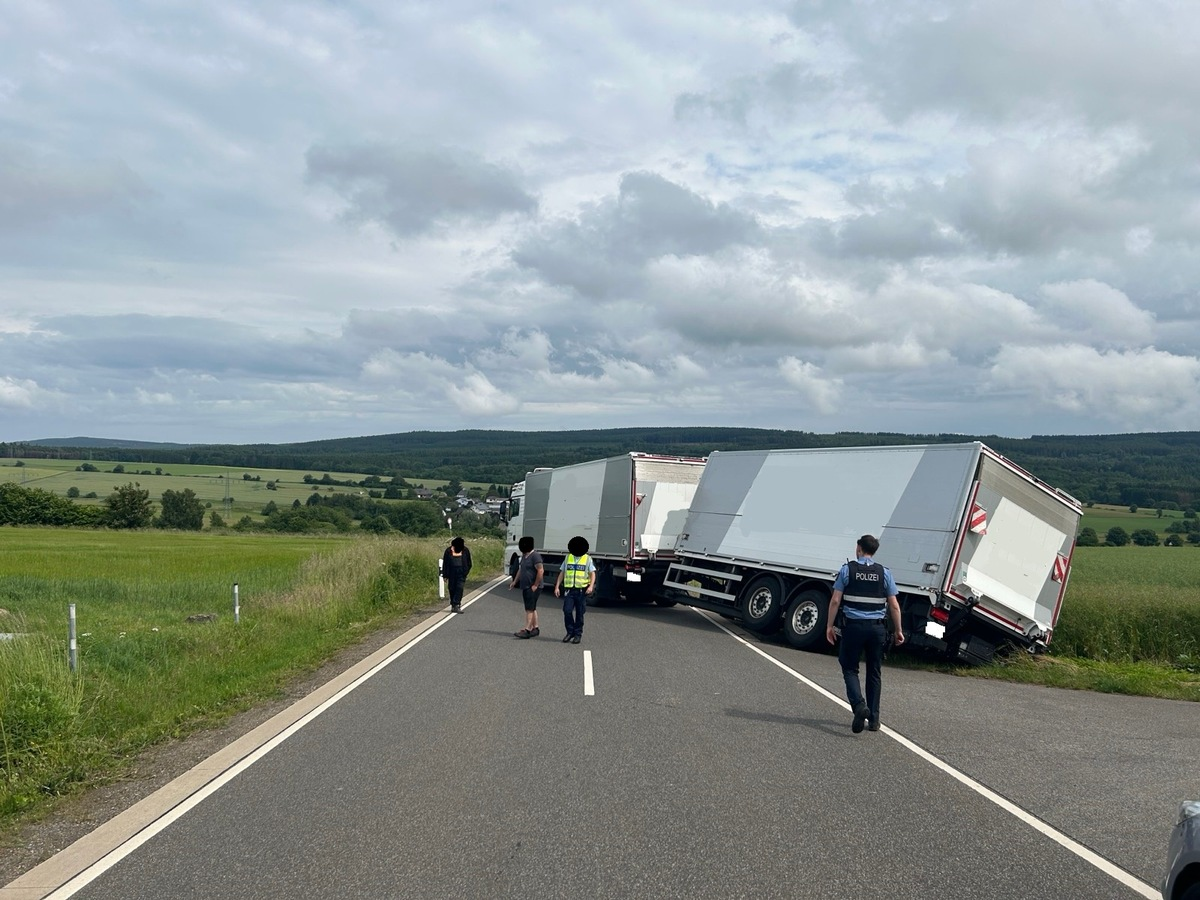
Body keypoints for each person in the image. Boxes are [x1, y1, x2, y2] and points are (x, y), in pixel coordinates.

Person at [825, 534, 905, 734]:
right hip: (877, 630)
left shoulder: (847, 570)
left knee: (849, 668)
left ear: (859, 548)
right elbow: (894, 606)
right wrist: (898, 630)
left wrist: (829, 626)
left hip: (853, 628)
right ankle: (874, 720)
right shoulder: (884, 573)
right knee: (874, 672)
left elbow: (835, 601)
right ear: (874, 551)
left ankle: (859, 706)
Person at [554, 535, 595, 644]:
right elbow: (562, 572)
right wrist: (557, 586)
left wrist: (591, 586)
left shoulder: (587, 558)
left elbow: (592, 573)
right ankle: (570, 632)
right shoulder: (568, 557)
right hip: (569, 590)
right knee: (567, 611)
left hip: (581, 591)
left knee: (579, 614)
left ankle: (577, 634)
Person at [508, 535, 544, 638]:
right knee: (532, 607)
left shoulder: (535, 556)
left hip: (532, 586)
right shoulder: (524, 556)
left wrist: (535, 585)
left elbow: (540, 570)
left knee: (529, 609)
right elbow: (521, 569)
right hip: (526, 585)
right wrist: (515, 581)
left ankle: (527, 629)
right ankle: (535, 628)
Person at [441, 536, 472, 613]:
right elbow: (445, 563)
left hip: (461, 572)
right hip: (451, 572)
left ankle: (457, 604)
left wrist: (466, 571)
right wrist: (445, 575)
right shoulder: (448, 551)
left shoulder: (465, 550)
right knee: (452, 588)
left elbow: (469, 562)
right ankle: (453, 605)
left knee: (459, 588)